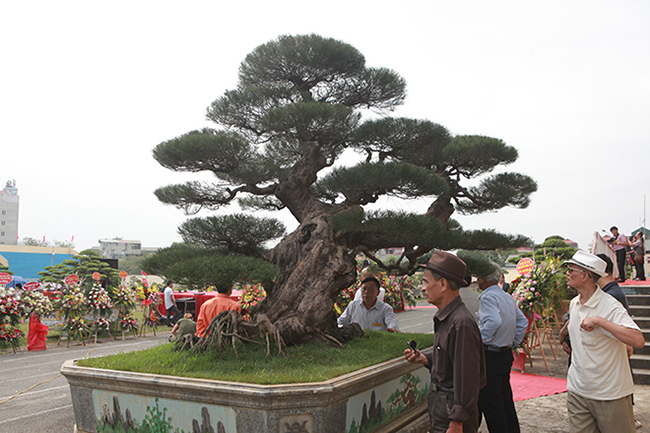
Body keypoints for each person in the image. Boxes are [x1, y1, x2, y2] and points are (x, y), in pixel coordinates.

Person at [560, 250, 643, 433]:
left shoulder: (610, 306)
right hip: (578, 390)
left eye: (570, 269)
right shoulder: (575, 303)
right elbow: (574, 326)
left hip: (609, 394)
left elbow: (637, 340)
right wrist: (563, 336)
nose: (567, 273)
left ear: (585, 275)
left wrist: (600, 322)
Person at [404, 251, 486, 433]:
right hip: (444, 404)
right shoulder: (448, 318)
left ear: (442, 284)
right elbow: (450, 356)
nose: (422, 288)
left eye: (425, 281)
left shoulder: (461, 322)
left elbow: (468, 377)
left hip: (452, 408)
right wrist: (424, 358)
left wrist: (457, 420)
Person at [476, 264, 528, 433]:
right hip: (504, 354)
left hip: (490, 354)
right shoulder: (506, 297)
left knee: (492, 404)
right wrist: (512, 342)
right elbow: (522, 323)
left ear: (483, 279)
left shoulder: (487, 297)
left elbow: (493, 322)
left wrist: (479, 341)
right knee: (505, 400)